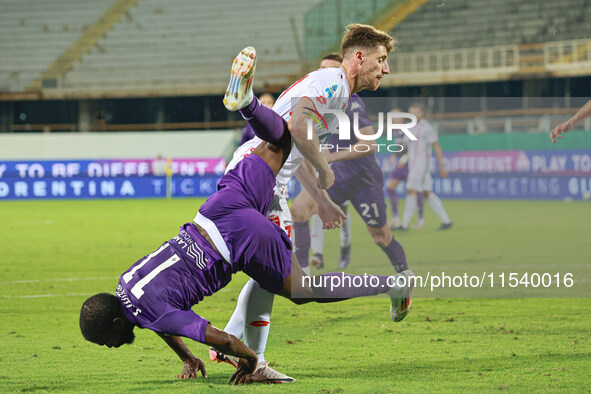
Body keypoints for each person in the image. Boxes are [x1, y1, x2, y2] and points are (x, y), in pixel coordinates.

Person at [79, 48, 414, 384]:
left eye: (106, 342)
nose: (110, 347)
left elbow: (196, 329)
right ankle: (249, 103)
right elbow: (159, 322)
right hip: (217, 209)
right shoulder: (128, 283)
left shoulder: (153, 314)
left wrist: (248, 360)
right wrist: (188, 357)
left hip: (241, 237)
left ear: (117, 324)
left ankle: (388, 285)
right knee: (279, 142)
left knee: (303, 289)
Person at [213, 24, 397, 382]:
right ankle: (242, 352)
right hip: (264, 181)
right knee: (293, 284)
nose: (385, 69)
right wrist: (325, 168)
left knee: (267, 274)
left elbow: (294, 150)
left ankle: (241, 352)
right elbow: (298, 128)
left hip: (258, 175)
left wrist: (322, 200)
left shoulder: (335, 89)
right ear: (359, 57)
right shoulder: (332, 84)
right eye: (381, 59)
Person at [291, 54, 408, 273]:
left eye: (332, 70)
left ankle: (405, 277)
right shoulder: (318, 101)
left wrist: (330, 157)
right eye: (322, 69)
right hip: (336, 174)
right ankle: (303, 278)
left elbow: (369, 144)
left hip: (362, 177)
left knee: (380, 237)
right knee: (299, 210)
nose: (325, 74)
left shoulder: (352, 102)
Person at [398, 103, 452, 231]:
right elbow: (404, 145)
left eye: (416, 112)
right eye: (410, 112)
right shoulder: (409, 127)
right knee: (427, 192)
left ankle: (404, 224)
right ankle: (446, 220)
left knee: (411, 189)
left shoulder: (427, 127)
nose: (413, 115)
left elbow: (437, 146)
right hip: (413, 164)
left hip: (421, 164)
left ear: (421, 113)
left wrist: (441, 166)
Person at [386, 112, 425, 230]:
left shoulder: (409, 128)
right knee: (390, 187)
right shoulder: (395, 130)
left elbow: (413, 146)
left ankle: (420, 219)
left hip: (409, 164)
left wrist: (404, 157)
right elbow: (400, 146)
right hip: (400, 164)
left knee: (415, 189)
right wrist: (395, 155)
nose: (392, 118)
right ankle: (396, 218)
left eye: (394, 115)